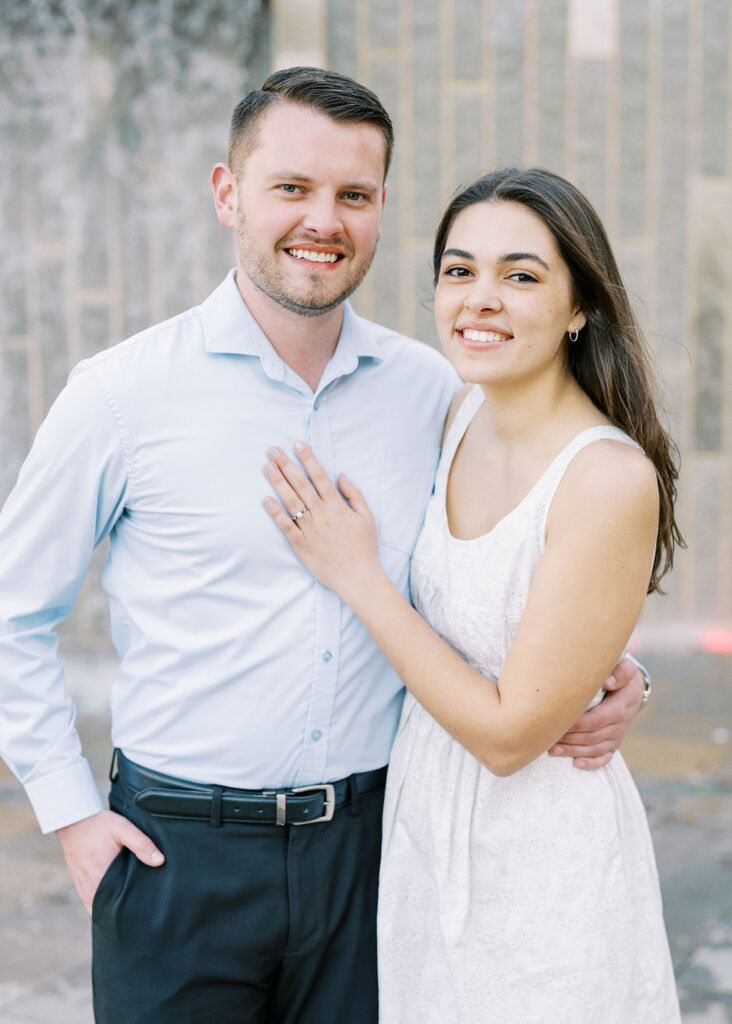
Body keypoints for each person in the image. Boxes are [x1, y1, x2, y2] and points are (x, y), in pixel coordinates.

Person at [0, 70, 644, 1023]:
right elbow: (16, 616)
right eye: (291, 188)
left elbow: (497, 561)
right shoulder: (119, 395)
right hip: (179, 858)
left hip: (374, 855)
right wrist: (68, 816)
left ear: (382, 208)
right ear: (229, 193)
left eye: (353, 195)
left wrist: (605, 667)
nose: (323, 221)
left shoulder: (436, 392)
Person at [263, 167, 683, 1023]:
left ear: (579, 309)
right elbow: (516, 613)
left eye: (520, 276)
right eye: (460, 271)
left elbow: (506, 736)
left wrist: (359, 576)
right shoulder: (457, 412)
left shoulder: (604, 477)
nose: (480, 298)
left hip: (542, 859)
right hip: (428, 838)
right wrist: (608, 662)